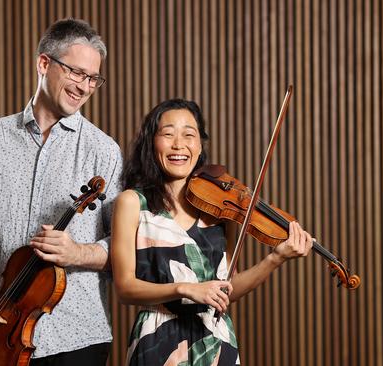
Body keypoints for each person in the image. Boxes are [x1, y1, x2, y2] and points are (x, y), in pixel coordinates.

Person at [0, 18, 122, 366]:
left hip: (76, 338)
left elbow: (123, 251)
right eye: (77, 73)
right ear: (44, 63)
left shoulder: (104, 150)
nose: (85, 87)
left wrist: (77, 253)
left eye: (93, 78)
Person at [110, 99, 313, 365]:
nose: (178, 144)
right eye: (168, 134)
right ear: (152, 143)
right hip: (157, 336)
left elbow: (228, 288)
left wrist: (274, 259)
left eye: (189, 135)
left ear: (200, 145)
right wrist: (186, 289)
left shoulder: (221, 209)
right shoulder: (132, 203)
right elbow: (125, 288)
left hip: (216, 337)